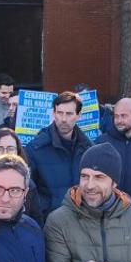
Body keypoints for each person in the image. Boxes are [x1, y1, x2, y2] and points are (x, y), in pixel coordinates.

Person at [28, 91, 92, 219]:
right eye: (60, 113)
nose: (63, 119)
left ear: (78, 115)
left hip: (83, 220)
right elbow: (29, 188)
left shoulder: (89, 148)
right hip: (49, 221)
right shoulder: (36, 148)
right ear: (53, 113)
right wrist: (44, 210)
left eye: (69, 114)